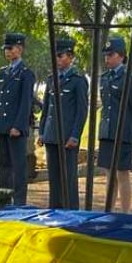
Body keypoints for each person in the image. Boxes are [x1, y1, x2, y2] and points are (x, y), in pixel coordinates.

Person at [39, 37, 88, 209]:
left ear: (71, 57)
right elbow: (46, 107)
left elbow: (81, 111)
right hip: (51, 135)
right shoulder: (52, 78)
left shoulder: (78, 80)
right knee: (54, 178)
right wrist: (41, 131)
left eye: (60, 56)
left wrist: (75, 135)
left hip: (68, 137)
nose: (57, 59)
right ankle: (54, 210)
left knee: (68, 178)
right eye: (55, 56)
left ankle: (70, 211)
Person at [97, 36, 132, 213]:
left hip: (123, 131)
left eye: (111, 54)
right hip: (107, 131)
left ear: (122, 56)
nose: (107, 58)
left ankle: (124, 212)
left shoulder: (129, 78)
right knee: (109, 174)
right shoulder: (105, 78)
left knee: (122, 174)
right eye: (106, 55)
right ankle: (109, 210)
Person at [0, 32, 36, 205]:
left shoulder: (26, 74)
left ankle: (18, 201)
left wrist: (18, 125)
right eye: (5, 49)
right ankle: (3, 198)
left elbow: (26, 103)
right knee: (3, 164)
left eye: (10, 49)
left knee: (18, 166)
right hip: (3, 126)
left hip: (16, 128)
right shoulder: (4, 72)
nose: (7, 52)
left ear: (20, 49)